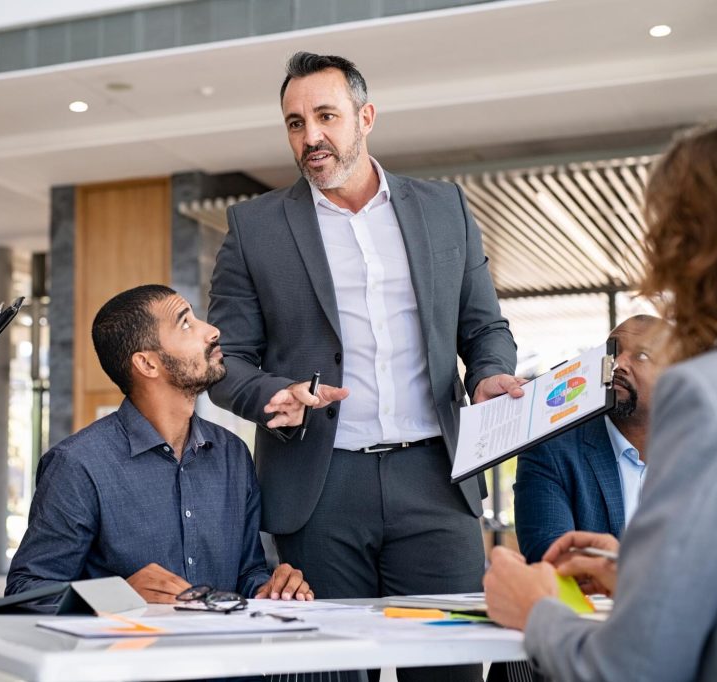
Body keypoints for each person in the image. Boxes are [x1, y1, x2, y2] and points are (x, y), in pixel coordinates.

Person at [208, 51, 521, 681]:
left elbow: (484, 326)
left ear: (366, 116)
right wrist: (276, 394)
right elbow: (227, 362)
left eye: (326, 116)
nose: (311, 136)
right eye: (295, 123)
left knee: (451, 670)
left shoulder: (444, 209)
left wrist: (488, 374)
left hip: (435, 483)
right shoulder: (254, 228)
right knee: (326, 672)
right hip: (318, 493)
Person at [484, 120, 717, 681]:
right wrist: (638, 569)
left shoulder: (702, 395)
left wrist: (535, 610)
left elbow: (636, 666)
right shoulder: (560, 448)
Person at [7, 284, 311, 604]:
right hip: (124, 653)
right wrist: (119, 597)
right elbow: (25, 589)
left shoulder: (232, 454)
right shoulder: (77, 464)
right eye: (185, 323)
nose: (211, 331)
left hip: (218, 652)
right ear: (148, 364)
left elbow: (247, 573)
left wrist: (272, 588)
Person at [513, 315, 668, 562]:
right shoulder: (551, 450)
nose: (618, 363)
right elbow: (551, 554)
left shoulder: (704, 456)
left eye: (641, 355)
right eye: (612, 350)